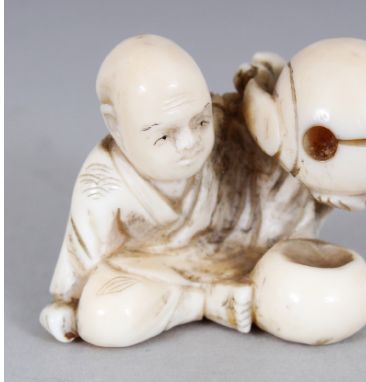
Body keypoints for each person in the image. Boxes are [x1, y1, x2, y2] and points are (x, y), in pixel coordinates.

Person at [40, 35, 328, 347]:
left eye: (201, 121)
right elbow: (80, 264)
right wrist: (65, 307)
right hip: (158, 273)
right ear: (115, 126)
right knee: (104, 320)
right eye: (165, 136)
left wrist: (329, 183)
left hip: (246, 249)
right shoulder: (103, 183)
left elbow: (289, 145)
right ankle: (206, 302)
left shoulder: (228, 123)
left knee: (309, 275)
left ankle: (254, 287)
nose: (190, 143)